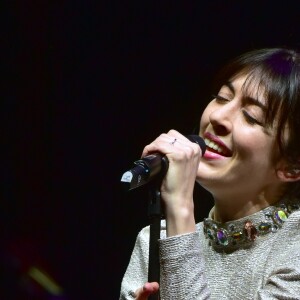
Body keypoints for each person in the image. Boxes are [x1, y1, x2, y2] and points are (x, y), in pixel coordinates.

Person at [119, 47, 300, 299]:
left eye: (251, 116)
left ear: (291, 167)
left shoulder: (294, 248)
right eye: (222, 97)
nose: (217, 116)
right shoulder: (154, 242)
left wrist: (180, 206)